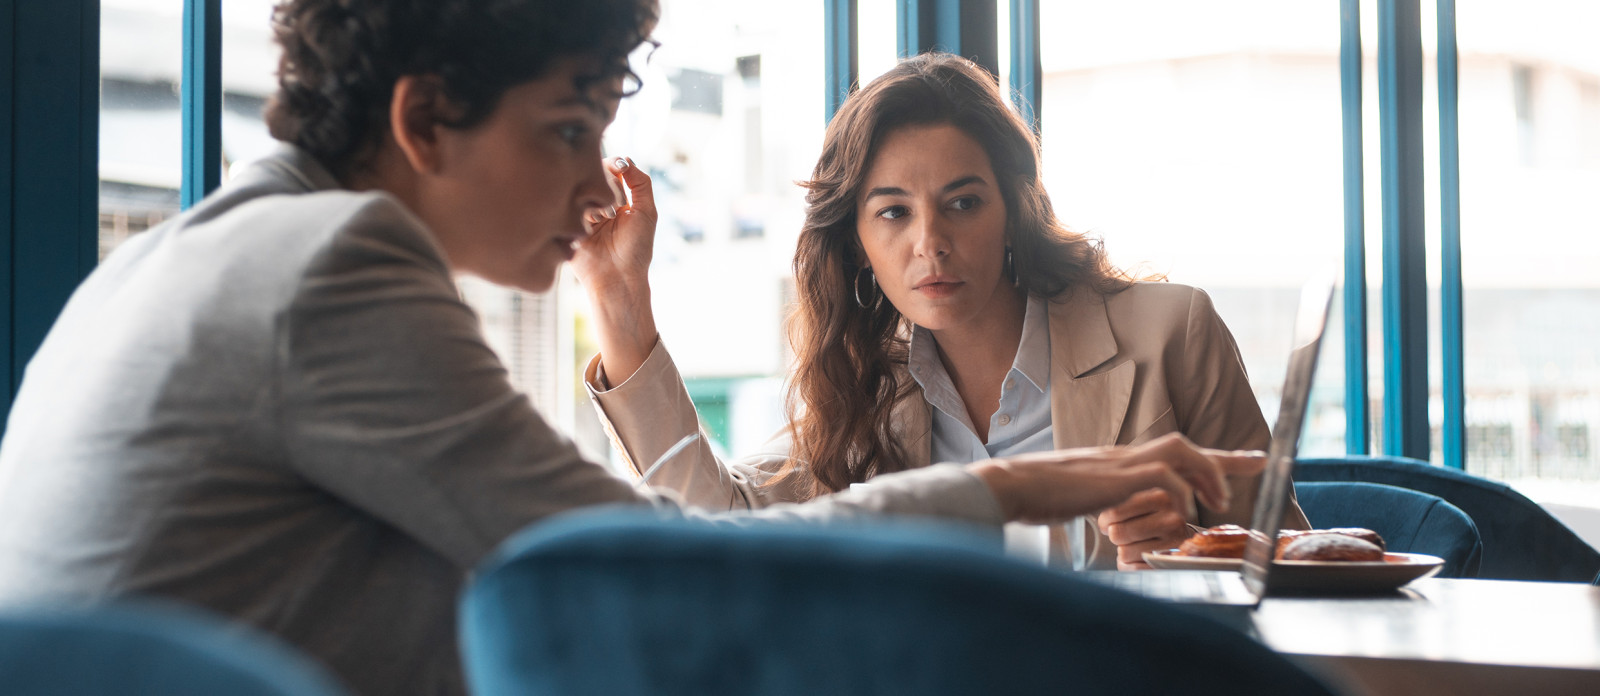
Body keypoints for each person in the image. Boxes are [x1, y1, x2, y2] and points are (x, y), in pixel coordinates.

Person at [0, 4, 1261, 695]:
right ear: (425, 118)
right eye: (564, 130)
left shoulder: (205, 252)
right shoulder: (326, 274)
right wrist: (1023, 484)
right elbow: (653, 566)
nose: (586, 185)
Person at [579, 52, 1308, 571]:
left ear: (1013, 211)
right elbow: (724, 529)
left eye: (962, 203)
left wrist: (1192, 554)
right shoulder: (861, 389)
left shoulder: (1169, 332)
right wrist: (621, 300)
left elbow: (1297, 560)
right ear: (859, 244)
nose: (931, 243)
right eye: (893, 213)